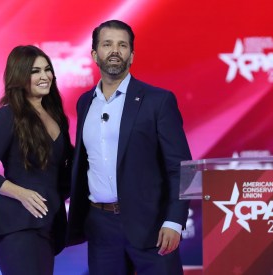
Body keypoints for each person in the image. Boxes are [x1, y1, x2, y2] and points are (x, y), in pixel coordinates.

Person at [67, 20, 192, 275]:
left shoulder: (158, 100)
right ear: (94, 54)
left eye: (122, 45)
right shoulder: (84, 103)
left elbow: (182, 168)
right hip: (100, 228)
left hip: (153, 227)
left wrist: (175, 221)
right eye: (107, 44)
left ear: (131, 55)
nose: (115, 50)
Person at [0, 45, 73, 275]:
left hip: (46, 224)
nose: (44, 76)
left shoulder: (57, 117)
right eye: (35, 71)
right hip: (15, 224)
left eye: (47, 69)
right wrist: (22, 193)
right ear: (19, 76)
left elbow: (60, 173)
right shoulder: (8, 115)